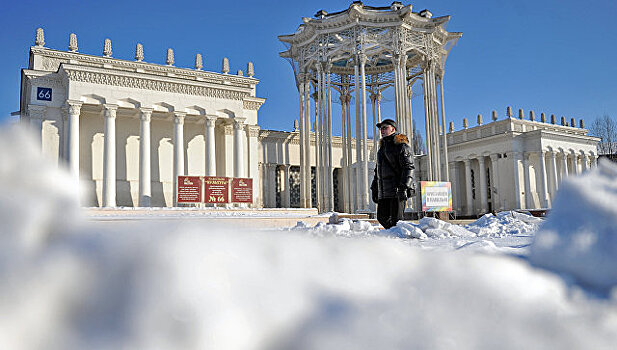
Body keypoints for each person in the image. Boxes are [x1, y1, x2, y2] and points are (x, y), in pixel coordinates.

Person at [370, 118, 415, 229]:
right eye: (381, 128)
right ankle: (394, 237)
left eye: (385, 128)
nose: (382, 130)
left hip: (397, 191)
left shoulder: (401, 146)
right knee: (381, 218)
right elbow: (378, 171)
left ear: (393, 129)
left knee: (397, 221)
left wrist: (403, 187)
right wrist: (375, 188)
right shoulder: (381, 149)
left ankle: (400, 241)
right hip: (384, 192)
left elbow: (408, 168)